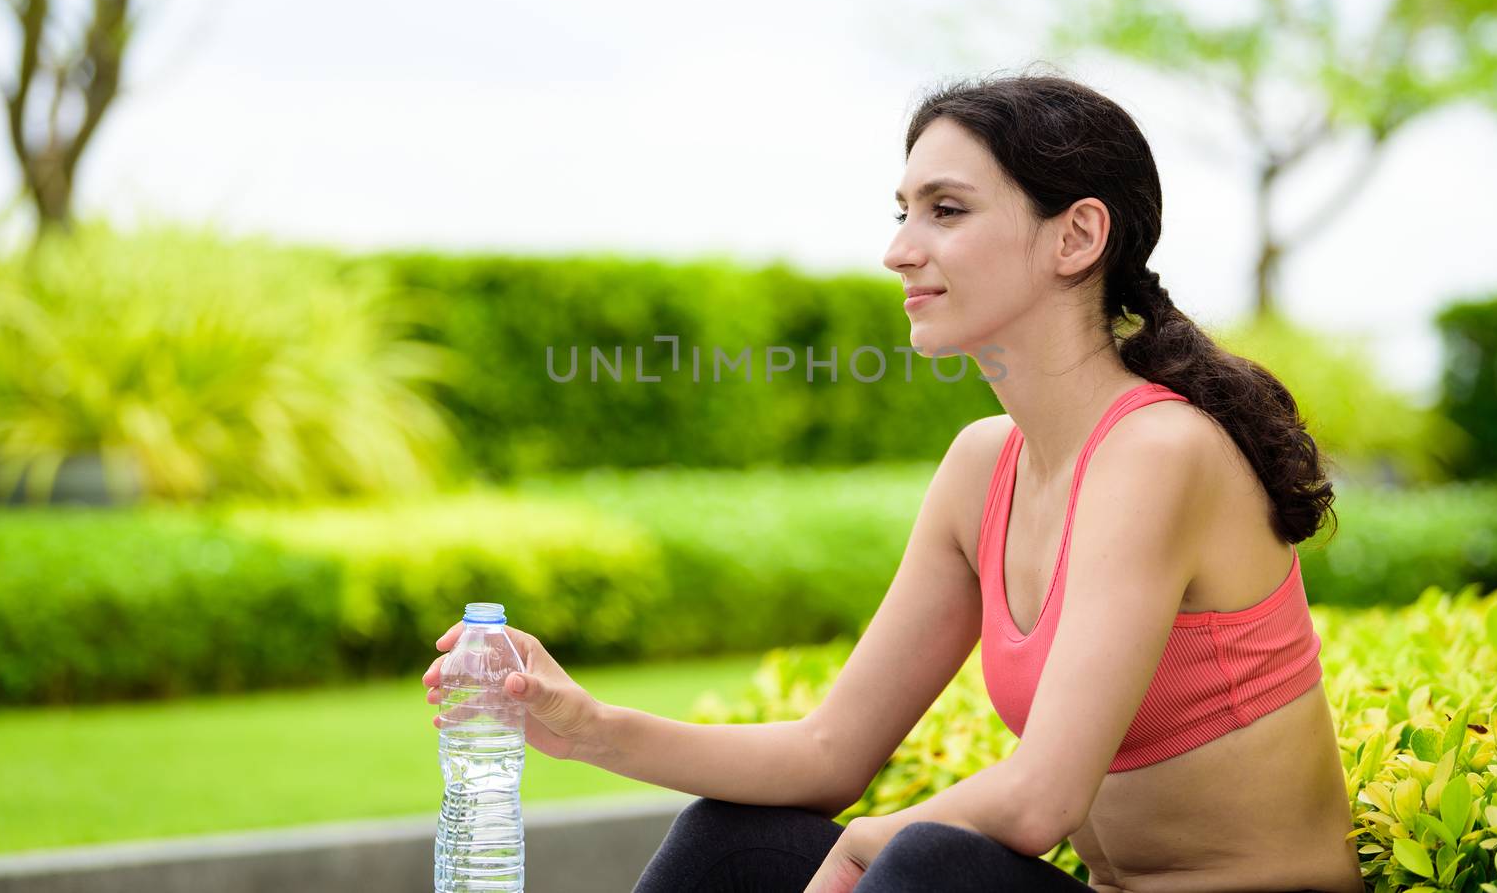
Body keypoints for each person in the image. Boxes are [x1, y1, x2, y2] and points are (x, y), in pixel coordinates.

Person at [423, 72, 1367, 893]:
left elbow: (1040, 800)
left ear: (1076, 236)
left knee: (923, 864)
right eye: (902, 212)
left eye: (946, 211)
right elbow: (829, 754)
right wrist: (586, 726)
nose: (899, 250)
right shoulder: (982, 467)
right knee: (737, 840)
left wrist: (870, 848)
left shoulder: (1161, 452)